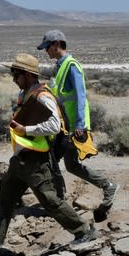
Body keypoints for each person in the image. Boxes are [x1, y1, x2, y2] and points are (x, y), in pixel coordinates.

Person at [0, 53, 97, 256]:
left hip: (37, 161)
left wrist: (25, 129)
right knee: (5, 200)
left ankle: (84, 231)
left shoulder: (42, 96)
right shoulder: (27, 94)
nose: (13, 78)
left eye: (15, 74)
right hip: (20, 160)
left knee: (50, 200)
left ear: (27, 75)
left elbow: (54, 125)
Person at [37, 30, 119, 223]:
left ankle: (59, 201)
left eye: (47, 47)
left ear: (57, 44)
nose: (46, 51)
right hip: (64, 125)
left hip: (73, 127)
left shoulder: (72, 66)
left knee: (52, 161)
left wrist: (81, 125)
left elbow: (81, 97)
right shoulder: (60, 66)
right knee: (71, 165)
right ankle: (108, 186)